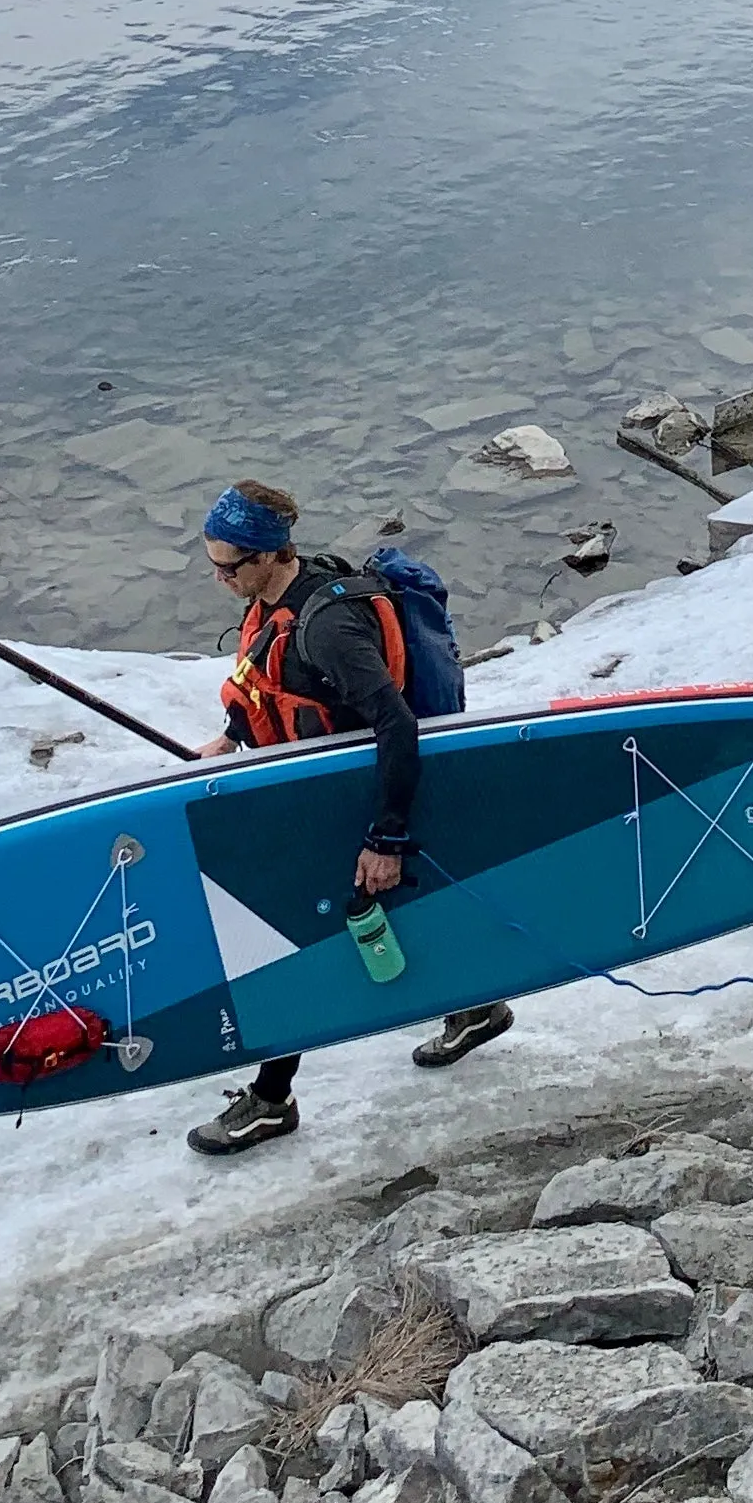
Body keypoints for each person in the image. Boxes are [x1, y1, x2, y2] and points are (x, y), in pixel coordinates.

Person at [185, 477, 512, 1155]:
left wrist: (386, 836)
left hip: (361, 797)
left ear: (272, 555)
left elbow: (395, 724)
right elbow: (272, 680)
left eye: (229, 566)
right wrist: (234, 733)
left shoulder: (329, 626)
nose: (218, 579)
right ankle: (476, 1006)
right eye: (211, 564)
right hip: (316, 792)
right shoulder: (278, 598)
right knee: (376, 922)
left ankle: (272, 1102)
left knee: (301, 935)